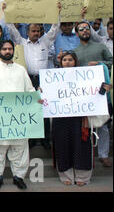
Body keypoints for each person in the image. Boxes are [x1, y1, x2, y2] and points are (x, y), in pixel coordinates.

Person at [0, 40, 39, 190]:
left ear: (13, 51)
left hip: (18, 120)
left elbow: (29, 91)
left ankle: (18, 177)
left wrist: (37, 98)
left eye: (9, 49)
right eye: (4, 49)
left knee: (19, 149)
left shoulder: (21, 70)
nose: (7, 51)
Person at [4, 3, 62, 149]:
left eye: (38, 31)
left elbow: (55, 29)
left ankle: (45, 139)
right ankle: (30, 139)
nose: (36, 33)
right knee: (29, 109)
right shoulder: (21, 43)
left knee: (44, 110)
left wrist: (58, 12)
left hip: (43, 80)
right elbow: (11, 29)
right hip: (28, 80)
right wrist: (6, 12)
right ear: (28, 32)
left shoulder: (45, 42)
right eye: (33, 31)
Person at [51, 52, 111, 186]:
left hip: (80, 118)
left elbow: (96, 93)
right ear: (61, 63)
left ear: (75, 61)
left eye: (70, 59)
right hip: (61, 118)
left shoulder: (86, 76)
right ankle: (66, 175)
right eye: (65, 60)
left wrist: (104, 88)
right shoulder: (52, 78)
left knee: (81, 146)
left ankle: (82, 177)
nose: (67, 62)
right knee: (63, 145)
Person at [73, 21, 113, 167]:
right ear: (77, 33)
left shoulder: (101, 47)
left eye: (87, 28)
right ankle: (85, 154)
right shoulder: (74, 52)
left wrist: (100, 63)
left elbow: (111, 62)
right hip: (83, 94)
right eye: (81, 29)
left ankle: (103, 154)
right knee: (84, 125)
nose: (85, 31)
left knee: (102, 124)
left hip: (101, 92)